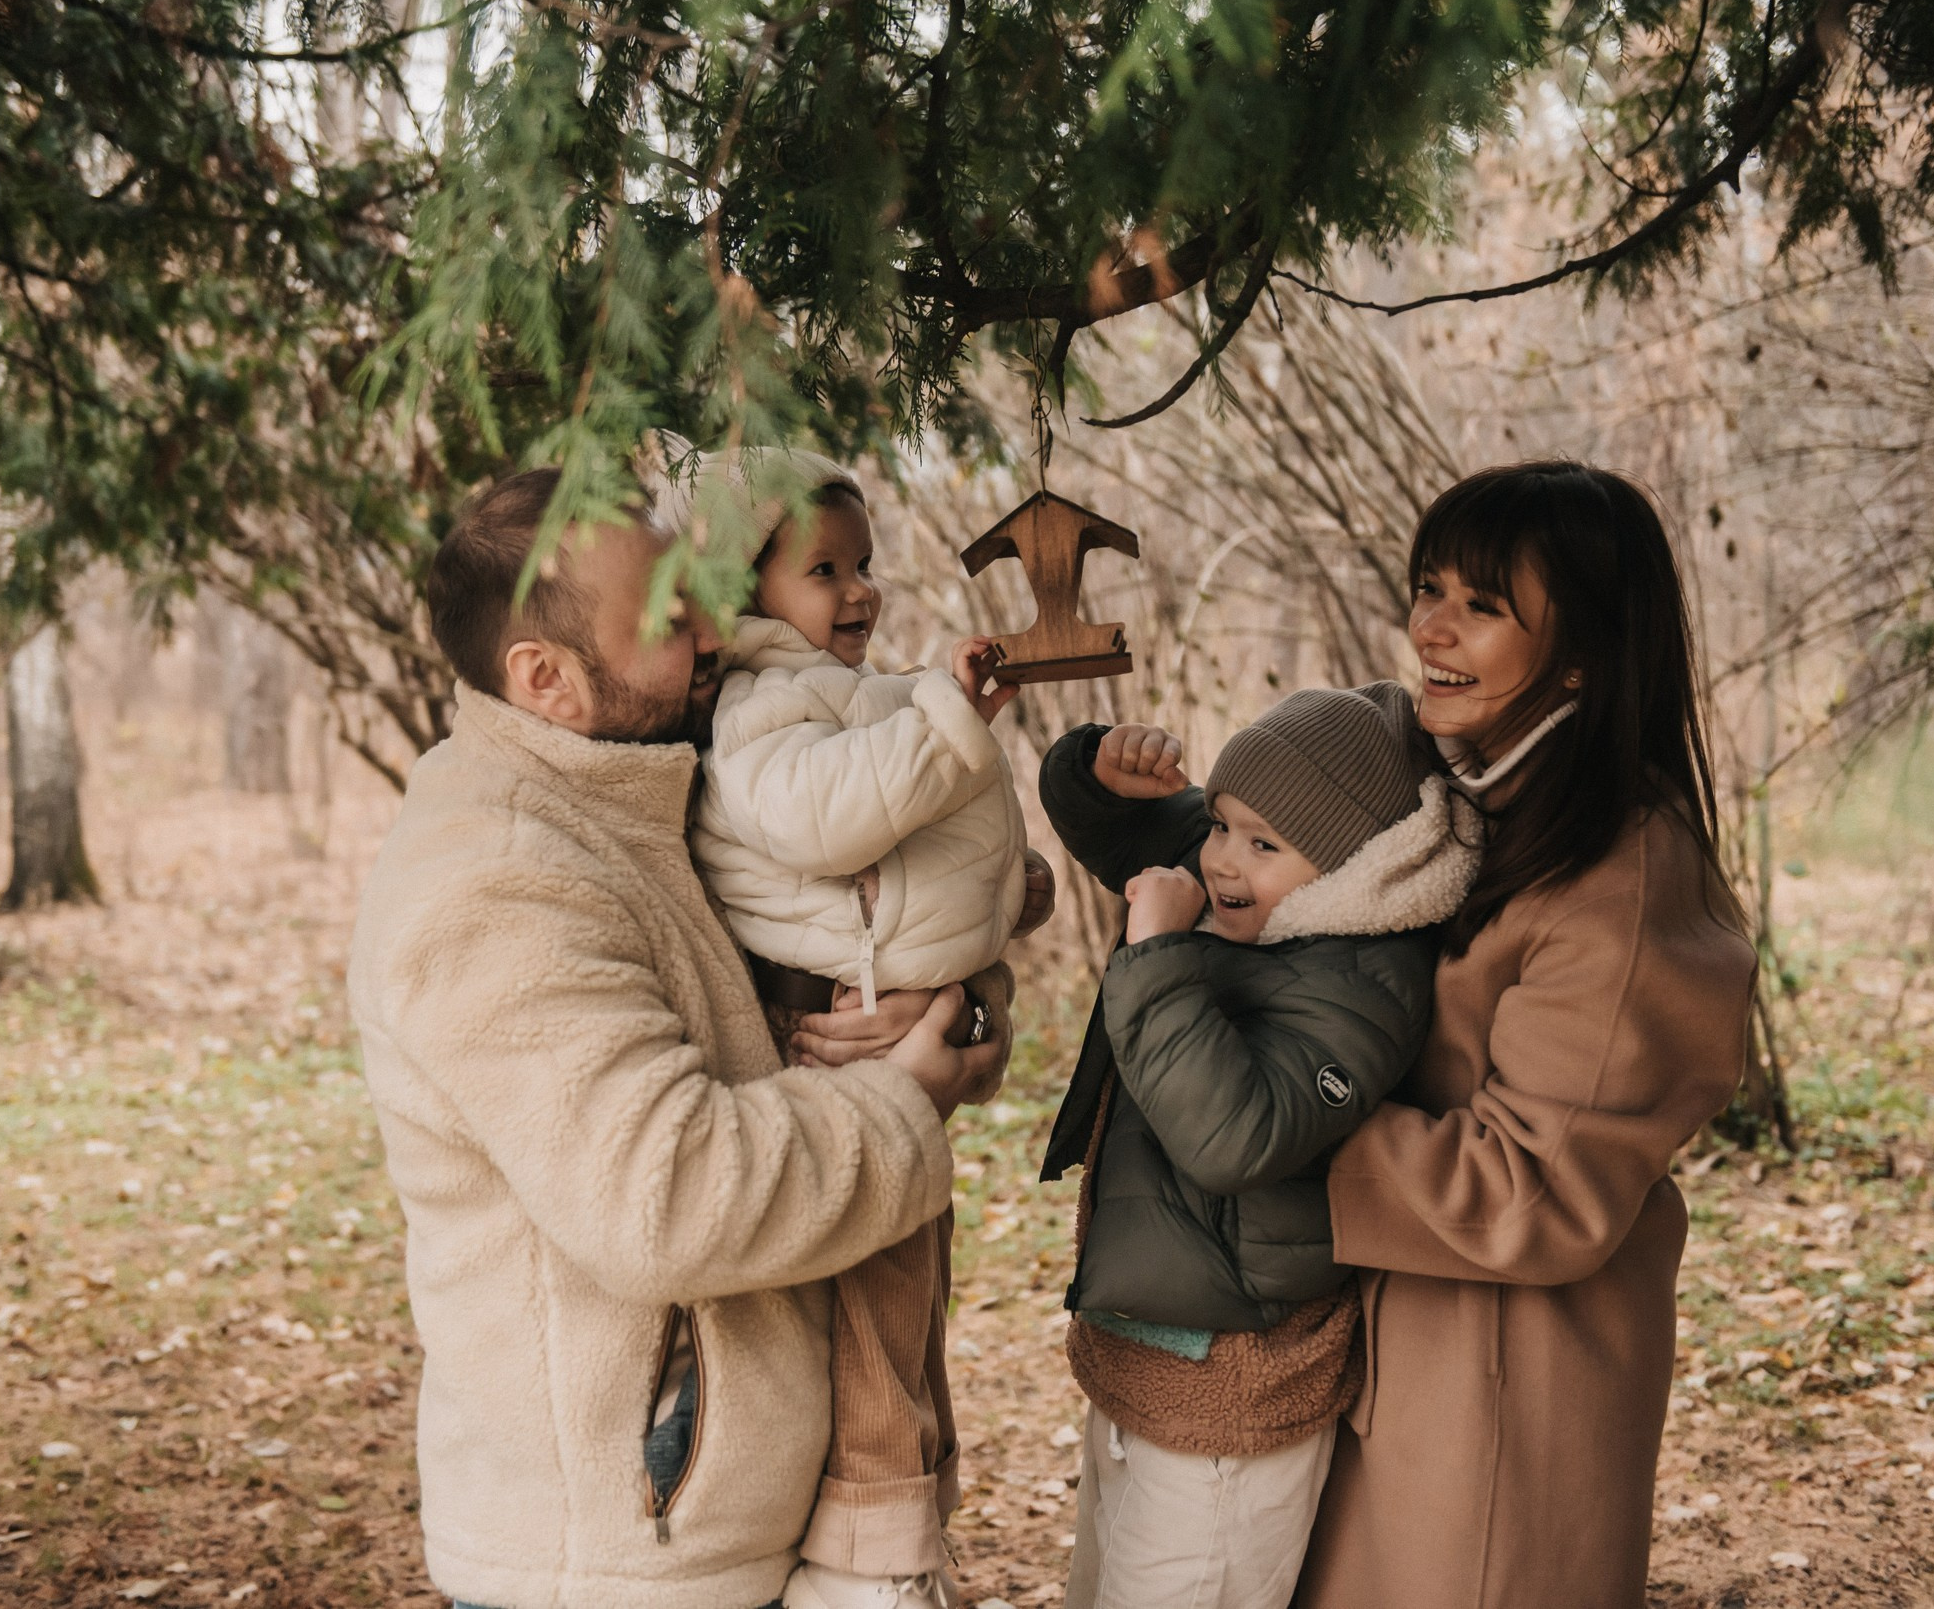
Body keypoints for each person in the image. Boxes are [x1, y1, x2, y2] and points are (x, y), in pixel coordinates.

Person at [1052, 462, 1755, 1609]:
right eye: (1429, 586)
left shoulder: (1620, 869)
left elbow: (1540, 1183)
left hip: (1501, 1365)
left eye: (1482, 605)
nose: (1431, 624)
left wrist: (1263, 1120)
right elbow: (1244, 851)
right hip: (1368, 1326)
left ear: (1582, 650)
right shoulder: (1445, 774)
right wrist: (1102, 785)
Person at [346, 467, 1009, 1609]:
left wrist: (959, 1010)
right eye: (666, 617)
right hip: (612, 1569)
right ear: (544, 678)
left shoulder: (656, 785)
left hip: (722, 1540)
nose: (716, 627)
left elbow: (883, 928)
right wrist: (903, 1099)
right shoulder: (496, 881)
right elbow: (670, 1196)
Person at [682, 446, 1048, 1609]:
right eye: (822, 569)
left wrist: (1004, 903)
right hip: (831, 1029)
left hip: (893, 1014)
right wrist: (947, 718)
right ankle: (874, 1552)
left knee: (911, 1284)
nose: (858, 590)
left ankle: (901, 1519)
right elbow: (823, 819)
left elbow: (917, 844)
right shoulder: (759, 702)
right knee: (877, 1295)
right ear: (742, 592)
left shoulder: (843, 690)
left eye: (866, 564)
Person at [1033, 683, 1480, 1609]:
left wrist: (1154, 956)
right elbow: (1119, 827)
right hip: (1145, 1361)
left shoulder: (1359, 982)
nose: (1222, 857)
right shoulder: (1255, 885)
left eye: (1259, 842)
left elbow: (1233, 1138)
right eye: (1220, 825)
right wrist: (1094, 768)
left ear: (1350, 868)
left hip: (1234, 1397)